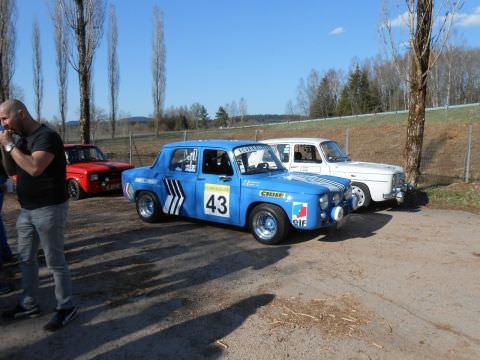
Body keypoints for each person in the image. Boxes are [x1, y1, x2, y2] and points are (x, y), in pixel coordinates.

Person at [0, 99, 77, 331]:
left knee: (55, 262)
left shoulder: (46, 137)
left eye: (5, 118)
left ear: (20, 114)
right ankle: (29, 303)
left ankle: (66, 306)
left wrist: (10, 146)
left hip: (50, 209)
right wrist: (5, 146)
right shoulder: (20, 139)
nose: (3, 124)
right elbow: (11, 170)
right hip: (27, 210)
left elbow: (34, 167)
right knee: (26, 259)